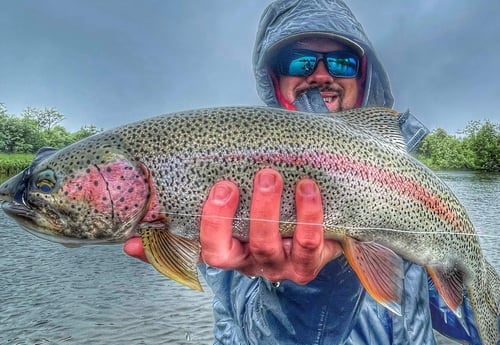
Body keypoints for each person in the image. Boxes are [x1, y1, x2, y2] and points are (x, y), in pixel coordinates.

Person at [124, 0, 482, 344]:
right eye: (300, 62)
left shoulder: (404, 185)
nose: (322, 75)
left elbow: (466, 321)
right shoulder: (229, 175)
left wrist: (483, 301)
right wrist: (311, 282)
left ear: (364, 74)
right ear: (274, 79)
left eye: (341, 63)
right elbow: (258, 336)